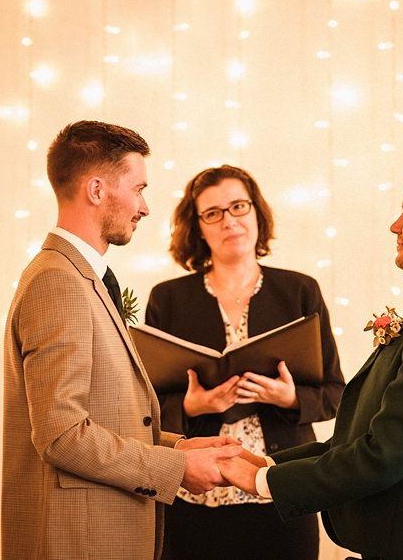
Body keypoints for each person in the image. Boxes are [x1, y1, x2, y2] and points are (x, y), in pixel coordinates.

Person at [219, 164, 403, 560]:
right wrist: (266, 461)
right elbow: (354, 442)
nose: (395, 225)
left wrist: (261, 480)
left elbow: (383, 454)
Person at [2, 121, 241, 560]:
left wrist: (179, 446)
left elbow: (101, 419)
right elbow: (62, 435)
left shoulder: (80, 276)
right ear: (96, 190)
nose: (145, 207)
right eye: (138, 188)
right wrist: (177, 468)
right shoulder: (58, 281)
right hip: (84, 541)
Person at [144, 164, 345, 559]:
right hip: (193, 494)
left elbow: (336, 393)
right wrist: (191, 406)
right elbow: (142, 405)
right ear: (198, 227)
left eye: (239, 206)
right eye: (213, 213)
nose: (229, 221)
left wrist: (289, 398)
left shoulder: (301, 290)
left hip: (282, 491)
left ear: (256, 213)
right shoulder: (167, 299)